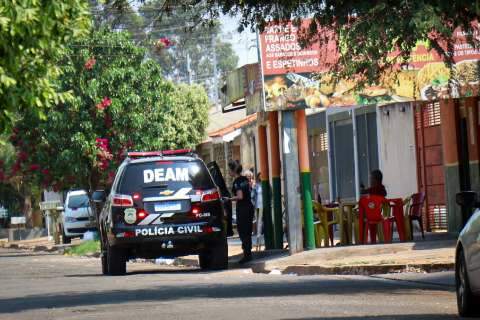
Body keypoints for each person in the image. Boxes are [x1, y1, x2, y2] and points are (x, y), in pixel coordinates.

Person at [228, 160, 254, 263]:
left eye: (229, 169)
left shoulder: (237, 181)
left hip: (243, 208)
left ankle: (247, 255)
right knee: (247, 231)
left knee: (243, 231)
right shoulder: (245, 179)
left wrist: (229, 199)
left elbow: (240, 196)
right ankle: (248, 253)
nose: (228, 171)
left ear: (234, 170)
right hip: (249, 207)